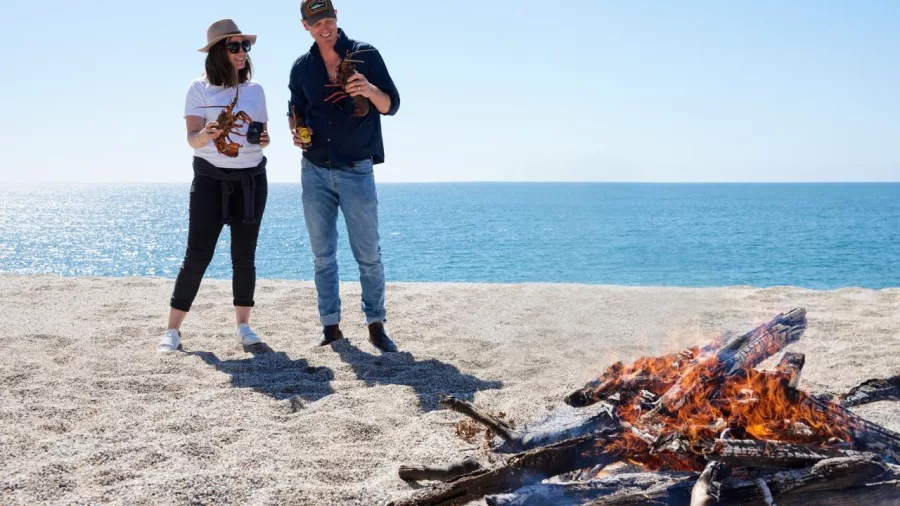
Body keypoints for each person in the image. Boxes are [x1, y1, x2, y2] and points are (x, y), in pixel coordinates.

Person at [288, 0, 400, 352]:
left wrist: (369, 90)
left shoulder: (366, 55)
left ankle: (376, 325)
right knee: (322, 255)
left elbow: (391, 105)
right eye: (316, 23)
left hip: (356, 169)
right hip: (314, 170)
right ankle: (330, 326)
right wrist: (296, 133)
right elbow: (295, 110)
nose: (324, 28)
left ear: (336, 17)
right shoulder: (302, 67)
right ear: (305, 26)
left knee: (368, 254)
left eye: (328, 19)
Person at [158, 19, 270, 353]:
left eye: (245, 46)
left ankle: (244, 327)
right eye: (234, 46)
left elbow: (261, 135)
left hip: (251, 180)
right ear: (218, 52)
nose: (242, 52)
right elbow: (192, 138)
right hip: (209, 179)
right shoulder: (198, 88)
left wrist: (264, 139)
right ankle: (172, 331)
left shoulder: (256, 90)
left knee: (244, 255)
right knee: (197, 255)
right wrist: (205, 135)